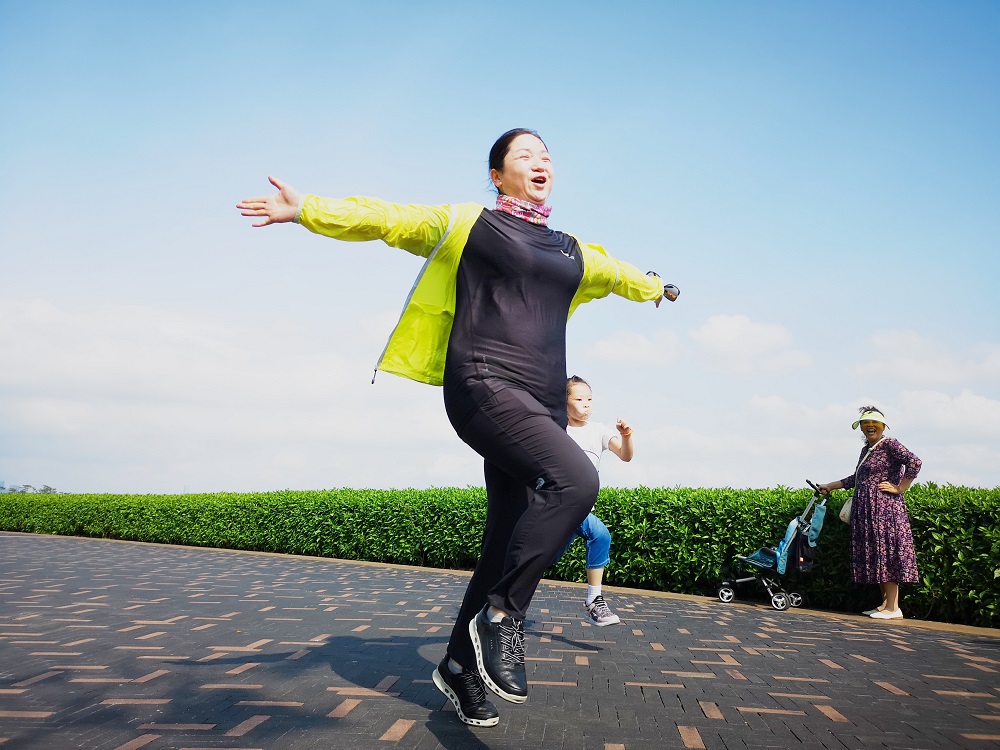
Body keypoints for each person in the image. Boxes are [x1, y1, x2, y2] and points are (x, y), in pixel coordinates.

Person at [237, 128, 673, 727]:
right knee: (576, 480)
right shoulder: (471, 224)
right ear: (497, 175)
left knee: (506, 540)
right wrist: (308, 208)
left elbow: (618, 272)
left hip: (544, 401)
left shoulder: (571, 249)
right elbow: (388, 219)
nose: (540, 162)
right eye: (525, 155)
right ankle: (502, 617)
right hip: (483, 382)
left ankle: (459, 667)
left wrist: (656, 287)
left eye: (546, 156)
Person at [816, 406, 922, 620]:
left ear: (883, 426)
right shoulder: (867, 450)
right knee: (877, 555)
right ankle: (885, 605)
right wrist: (830, 485)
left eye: (874, 423)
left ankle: (893, 608)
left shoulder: (890, 444)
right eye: (865, 423)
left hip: (885, 509)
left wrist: (901, 487)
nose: (870, 426)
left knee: (887, 554)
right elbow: (856, 478)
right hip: (867, 511)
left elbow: (915, 462)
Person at [553, 376, 634, 626]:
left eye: (589, 399)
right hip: (557, 506)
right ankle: (503, 601)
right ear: (564, 402)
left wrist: (626, 436)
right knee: (548, 558)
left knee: (600, 535)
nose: (586, 404)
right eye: (579, 399)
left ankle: (594, 600)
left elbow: (625, 455)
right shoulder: (556, 430)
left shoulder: (598, 430)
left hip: (581, 508)